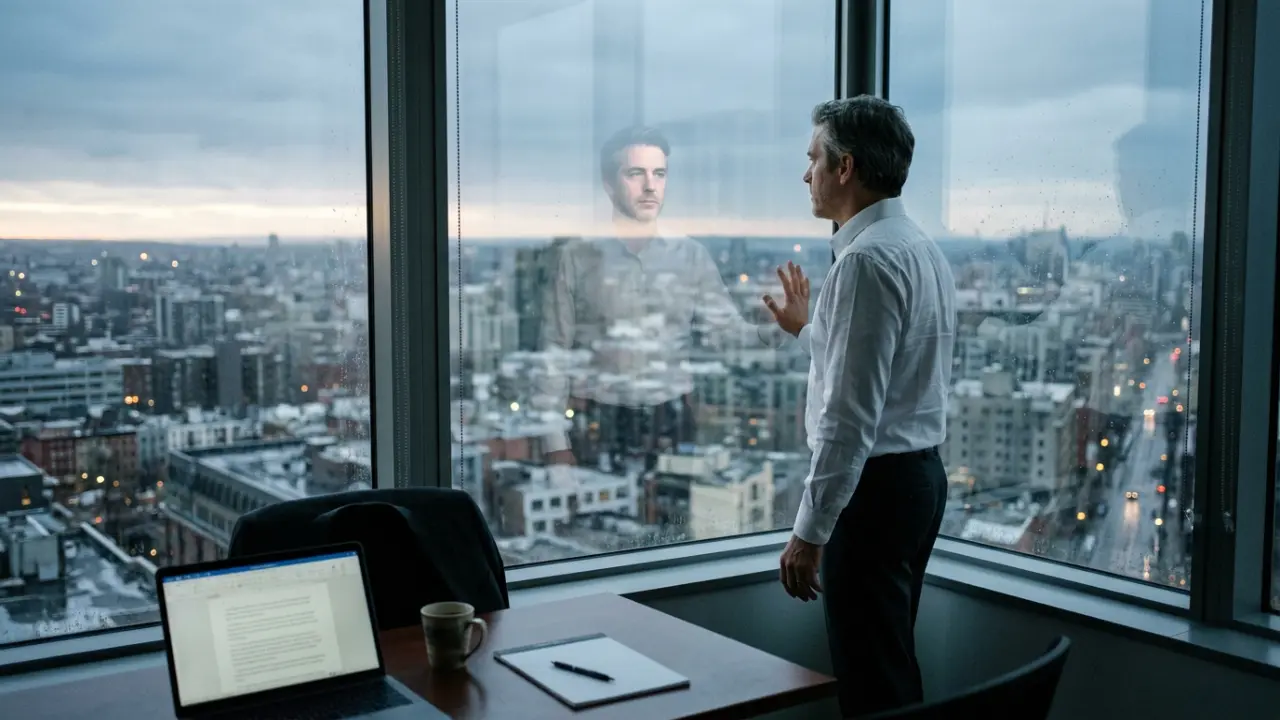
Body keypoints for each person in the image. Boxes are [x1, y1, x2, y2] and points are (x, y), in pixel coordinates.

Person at [770, 96, 957, 717]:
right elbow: (884, 371)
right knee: (891, 656)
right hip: (918, 479)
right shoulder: (919, 248)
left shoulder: (866, 261)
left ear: (845, 167)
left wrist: (809, 530)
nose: (807, 175)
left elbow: (849, 419)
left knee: (872, 677)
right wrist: (806, 329)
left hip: (873, 492)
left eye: (814, 159)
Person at [537, 126, 809, 469]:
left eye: (659, 174)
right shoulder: (576, 258)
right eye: (635, 174)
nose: (650, 186)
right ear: (609, 184)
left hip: (673, 419)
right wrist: (554, 441)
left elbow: (727, 333)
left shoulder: (690, 256)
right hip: (597, 422)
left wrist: (780, 327)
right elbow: (553, 352)